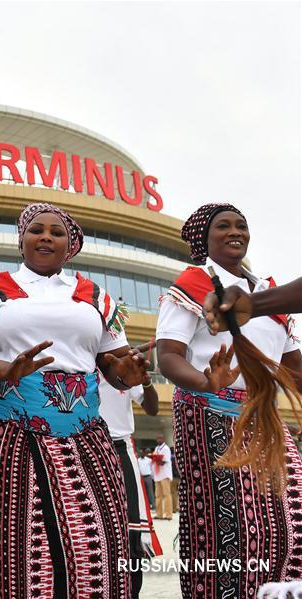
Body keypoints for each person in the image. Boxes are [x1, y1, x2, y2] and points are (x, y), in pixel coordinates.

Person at [0, 202, 150, 598]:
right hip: (11, 427)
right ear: (22, 239)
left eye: (56, 232)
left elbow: (113, 361)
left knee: (95, 537)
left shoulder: (94, 295)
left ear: (69, 245)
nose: (46, 237)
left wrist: (125, 374)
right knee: (21, 542)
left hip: (85, 430)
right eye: (37, 230)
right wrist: (6, 370)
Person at [156, 202, 302, 596]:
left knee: (293, 517)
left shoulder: (269, 295)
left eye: (241, 225)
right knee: (232, 528)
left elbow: (295, 368)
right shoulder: (191, 285)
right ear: (205, 238)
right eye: (223, 226)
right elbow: (168, 356)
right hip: (208, 415)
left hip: (264, 416)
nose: (235, 231)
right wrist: (204, 381)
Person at [98, 365, 161, 598]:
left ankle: (131, 591)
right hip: (87, 445)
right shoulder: (81, 365)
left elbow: (153, 408)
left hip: (121, 447)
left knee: (131, 529)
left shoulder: (121, 368)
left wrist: (145, 380)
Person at [203, 277, 302, 334]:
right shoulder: (192, 282)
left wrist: (253, 304)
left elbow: (294, 363)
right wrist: (252, 304)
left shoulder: (265, 286)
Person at [150, 434, 173, 520]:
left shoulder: (166, 449)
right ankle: (159, 514)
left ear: (163, 439)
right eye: (158, 438)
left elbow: (164, 461)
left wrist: (156, 458)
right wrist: (153, 457)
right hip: (157, 474)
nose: (159, 440)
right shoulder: (156, 448)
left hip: (165, 474)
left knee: (167, 494)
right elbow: (155, 459)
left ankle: (168, 514)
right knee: (158, 495)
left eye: (160, 438)